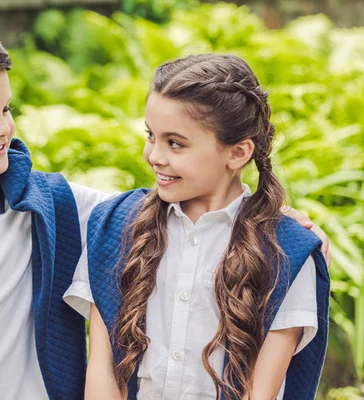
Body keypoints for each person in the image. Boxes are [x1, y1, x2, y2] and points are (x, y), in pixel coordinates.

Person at [0, 24, 329, 399]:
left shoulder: (55, 206)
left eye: (6, 109)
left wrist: (280, 219)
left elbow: (177, 201)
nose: (4, 129)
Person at [64, 54, 330, 400]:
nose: (155, 156)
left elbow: (258, 392)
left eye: (175, 143)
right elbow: (102, 370)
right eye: (151, 136)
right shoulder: (114, 227)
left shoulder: (287, 253)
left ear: (237, 153)